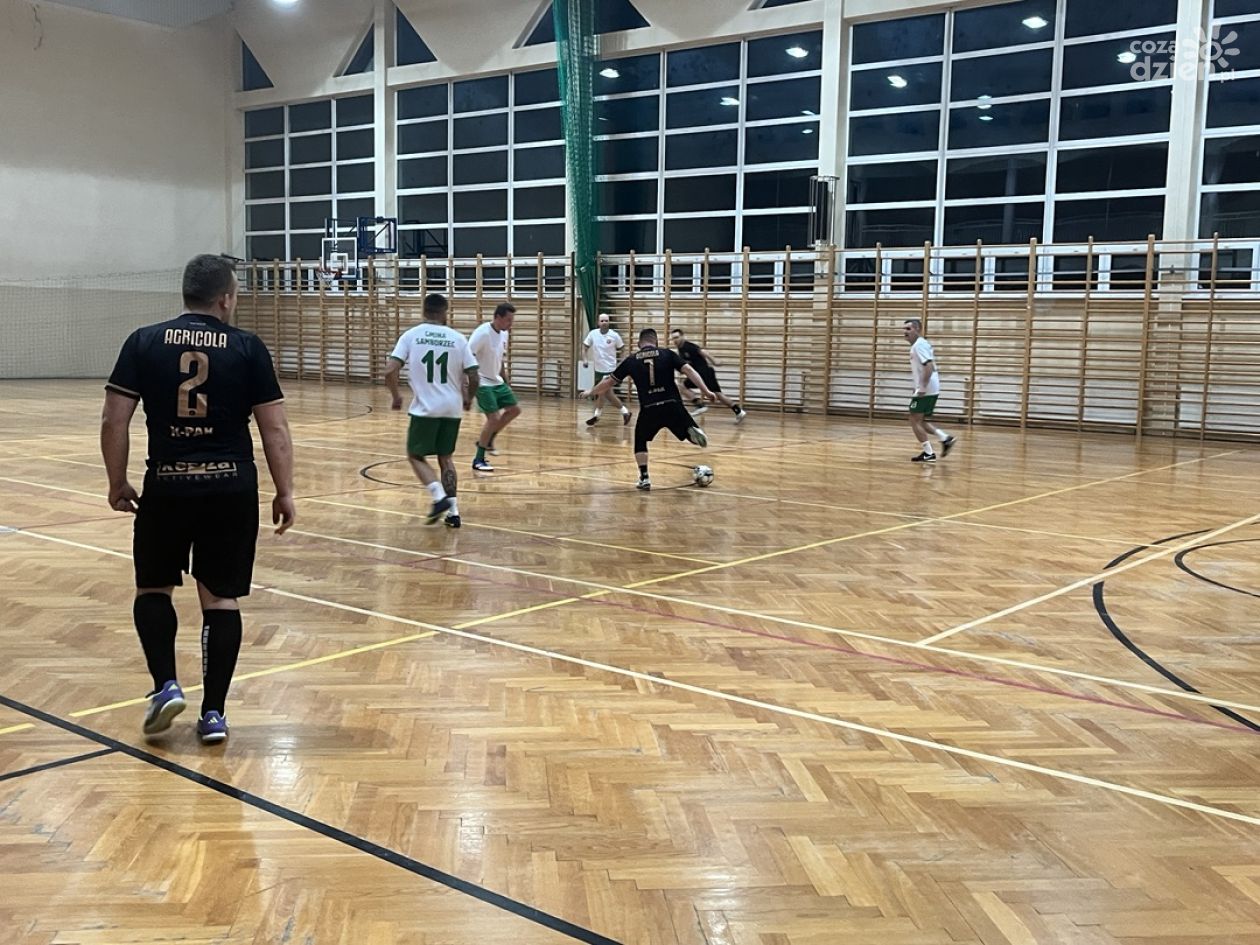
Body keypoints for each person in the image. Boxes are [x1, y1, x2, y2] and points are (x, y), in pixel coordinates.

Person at [100, 254, 295, 745]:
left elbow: (114, 419)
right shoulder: (247, 347)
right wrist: (285, 490)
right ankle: (213, 714)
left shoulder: (143, 341)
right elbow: (274, 429)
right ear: (226, 298)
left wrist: (117, 481)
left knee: (153, 588)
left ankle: (166, 685)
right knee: (221, 598)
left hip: (167, 484)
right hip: (231, 487)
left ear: (186, 294)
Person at [383, 293, 479, 528]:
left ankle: (438, 497)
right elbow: (474, 374)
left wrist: (396, 396)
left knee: (415, 455)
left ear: (424, 311)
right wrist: (469, 398)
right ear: (445, 312)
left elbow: (390, 370)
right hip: (452, 408)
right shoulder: (458, 338)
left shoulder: (411, 336)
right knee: (446, 457)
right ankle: (453, 513)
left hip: (426, 408)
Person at [583, 328, 716, 491]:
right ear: (656, 342)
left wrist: (591, 391)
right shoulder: (667, 354)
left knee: (640, 441)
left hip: (649, 408)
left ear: (639, 344)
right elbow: (689, 370)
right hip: (673, 405)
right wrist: (706, 391)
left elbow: (609, 382)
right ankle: (691, 433)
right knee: (683, 426)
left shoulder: (632, 360)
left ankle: (644, 477)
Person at [468, 302, 520, 473]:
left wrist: (506, 382)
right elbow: (467, 356)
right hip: (482, 381)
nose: (511, 324)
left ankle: (489, 438)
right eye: (508, 320)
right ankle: (478, 459)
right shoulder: (482, 333)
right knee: (493, 418)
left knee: (514, 410)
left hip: (496, 381)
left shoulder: (504, 333)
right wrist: (469, 382)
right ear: (497, 317)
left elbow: (500, 359)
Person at [902, 318, 957, 463]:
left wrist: (922, 388)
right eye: (904, 329)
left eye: (908, 329)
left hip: (927, 389)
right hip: (931, 388)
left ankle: (929, 453)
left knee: (914, 419)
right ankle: (945, 438)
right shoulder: (920, 345)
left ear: (917, 329)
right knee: (921, 420)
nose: (905, 332)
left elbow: (929, 367)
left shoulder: (919, 345)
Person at [669, 328, 747, 423]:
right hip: (698, 374)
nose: (675, 340)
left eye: (677, 337)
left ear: (682, 336)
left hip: (705, 373)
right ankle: (738, 411)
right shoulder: (681, 350)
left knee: (716, 394)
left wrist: (714, 360)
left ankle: (700, 406)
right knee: (684, 387)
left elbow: (702, 351)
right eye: (673, 338)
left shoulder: (688, 346)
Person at [581, 313, 630, 426]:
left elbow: (623, 349)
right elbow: (584, 347)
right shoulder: (593, 334)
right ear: (598, 322)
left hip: (610, 369)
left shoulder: (614, 335)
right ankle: (599, 415)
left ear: (609, 322)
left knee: (605, 392)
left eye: (606, 321)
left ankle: (624, 412)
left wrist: (622, 362)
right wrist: (585, 359)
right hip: (598, 369)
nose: (604, 323)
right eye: (602, 321)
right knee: (603, 393)